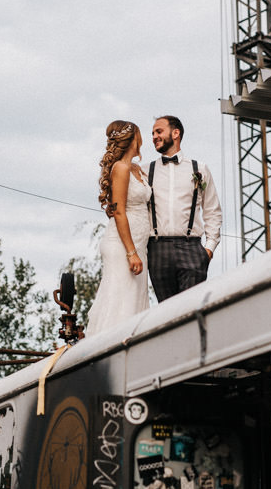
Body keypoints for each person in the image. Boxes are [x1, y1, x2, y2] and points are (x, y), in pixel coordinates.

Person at [85, 121, 152, 335]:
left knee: (134, 301)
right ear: (133, 139)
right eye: (139, 135)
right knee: (120, 301)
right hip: (123, 246)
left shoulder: (136, 169)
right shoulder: (121, 169)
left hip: (140, 245)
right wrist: (131, 252)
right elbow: (120, 211)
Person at [146, 115, 222, 302]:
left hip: (192, 248)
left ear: (176, 133)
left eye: (159, 131)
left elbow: (212, 210)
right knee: (166, 312)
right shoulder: (145, 170)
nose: (154, 136)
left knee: (191, 310)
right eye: (153, 133)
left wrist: (209, 249)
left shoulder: (199, 169)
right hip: (157, 249)